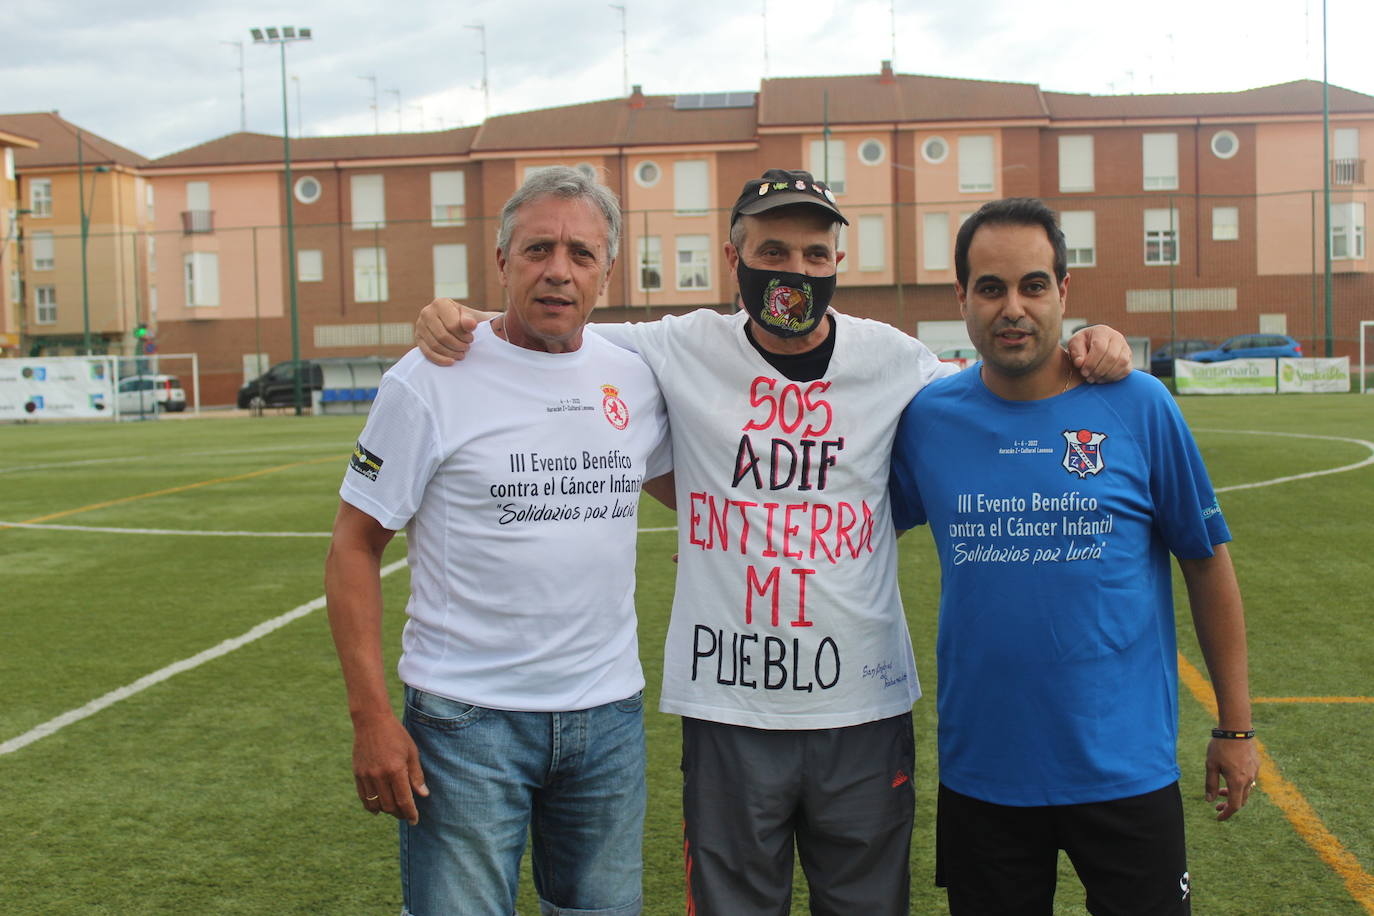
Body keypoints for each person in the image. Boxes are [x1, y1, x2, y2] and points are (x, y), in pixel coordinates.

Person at [413, 169, 1133, 914]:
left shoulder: (896, 361)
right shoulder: (676, 345)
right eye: (775, 251)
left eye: (816, 256)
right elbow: (552, 323)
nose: (795, 272)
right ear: (735, 259)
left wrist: (1092, 341)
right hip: (729, 714)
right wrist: (456, 315)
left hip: (863, 708)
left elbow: (1005, 378)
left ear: (837, 264)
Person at [889, 197, 1260, 915]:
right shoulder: (928, 421)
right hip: (986, 772)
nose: (1012, 308)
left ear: (1065, 291)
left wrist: (1236, 726)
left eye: (1032, 285)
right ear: (961, 297)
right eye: (990, 288)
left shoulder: (1141, 405)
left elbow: (1207, 560)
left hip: (1124, 770)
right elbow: (846, 518)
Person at [324, 166, 672, 916]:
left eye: (581, 254)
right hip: (465, 723)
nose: (558, 270)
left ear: (607, 270)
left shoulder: (634, 377)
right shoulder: (430, 377)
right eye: (538, 248)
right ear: (501, 260)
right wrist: (372, 719)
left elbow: (706, 499)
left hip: (608, 719)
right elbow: (354, 545)